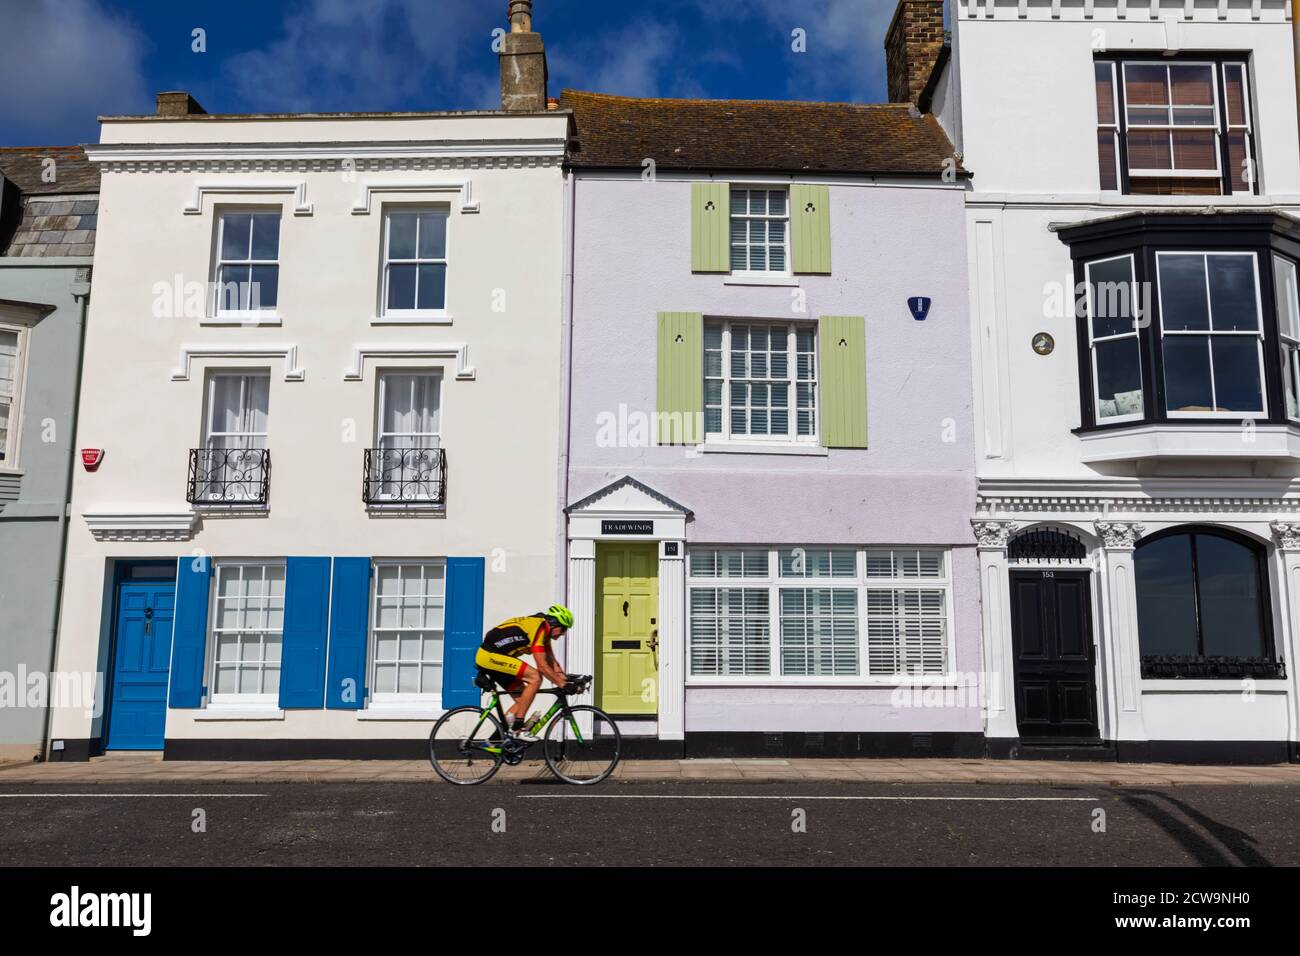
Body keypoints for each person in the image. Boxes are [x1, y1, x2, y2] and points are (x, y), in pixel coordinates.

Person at [475, 604, 574, 741]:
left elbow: (551, 661)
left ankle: (495, 742)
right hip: (489, 656)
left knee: (523, 700)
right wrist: (562, 684)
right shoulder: (539, 629)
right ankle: (518, 727)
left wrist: (566, 679)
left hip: (497, 658)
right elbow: (543, 666)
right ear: (553, 623)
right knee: (535, 677)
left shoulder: (543, 631)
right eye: (563, 629)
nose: (563, 633)